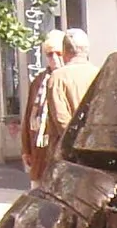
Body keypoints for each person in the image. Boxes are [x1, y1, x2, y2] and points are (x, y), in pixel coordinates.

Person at [43, 28, 99, 157]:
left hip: (67, 151)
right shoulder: (99, 73)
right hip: (95, 146)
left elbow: (61, 118)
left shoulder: (57, 77)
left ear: (65, 51)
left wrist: (74, 143)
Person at [19, 29, 64, 184]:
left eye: (59, 53)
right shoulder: (39, 81)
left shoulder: (68, 78)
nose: (55, 59)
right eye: (50, 54)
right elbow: (28, 116)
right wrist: (26, 149)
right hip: (40, 151)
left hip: (60, 152)